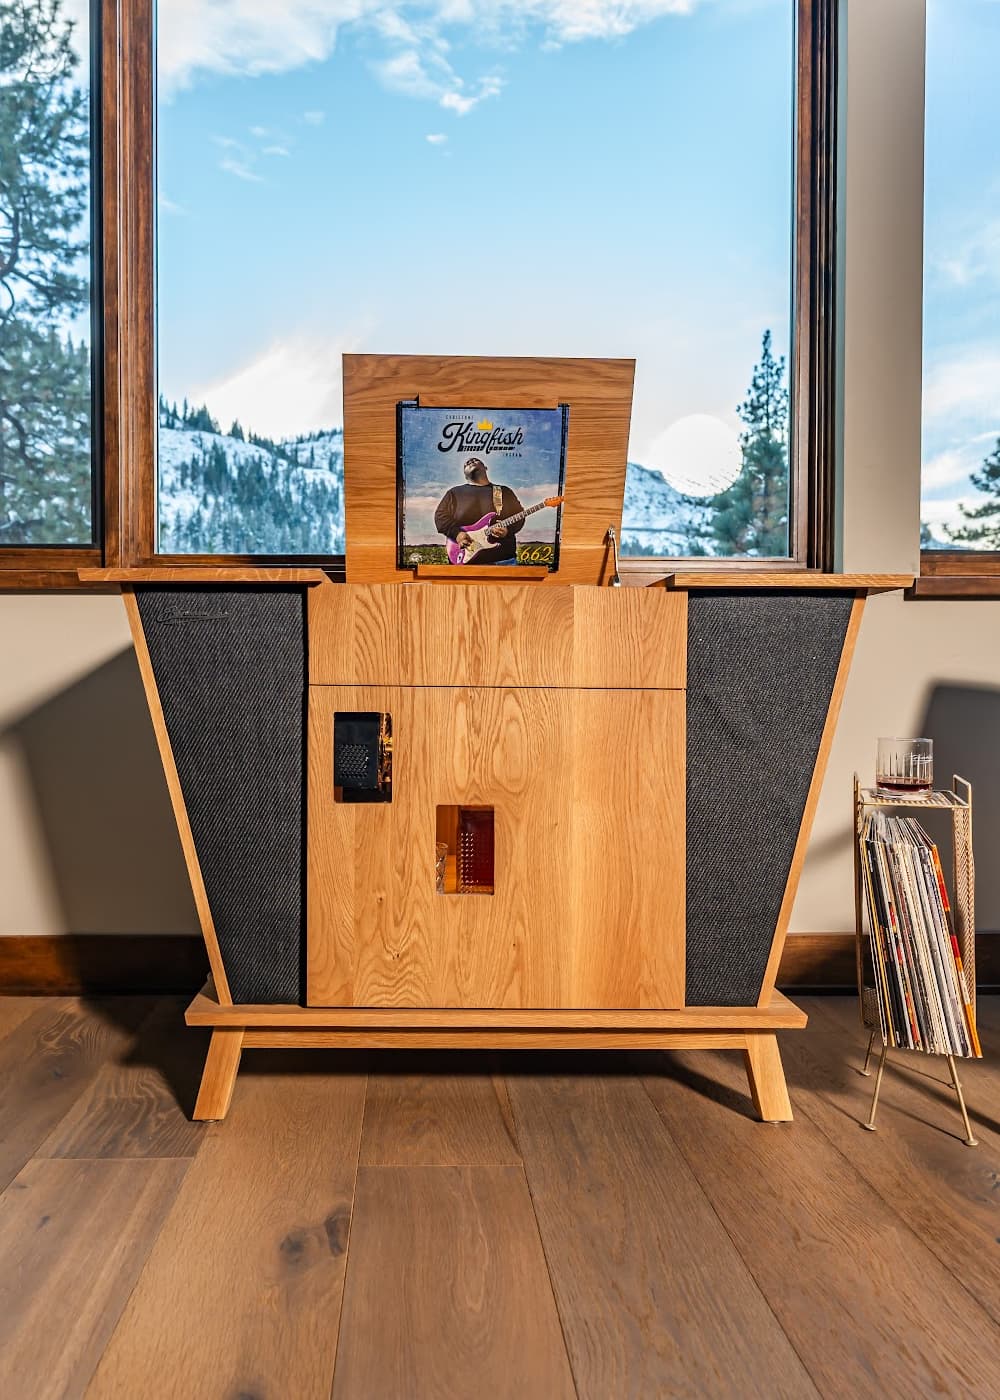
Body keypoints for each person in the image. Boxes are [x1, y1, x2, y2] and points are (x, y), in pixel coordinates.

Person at [433, 457, 525, 564]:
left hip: (503, 560)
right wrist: (457, 534)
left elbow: (520, 516)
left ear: (485, 468)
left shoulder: (504, 491)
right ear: (465, 474)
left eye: (476, 460)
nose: (470, 461)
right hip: (465, 563)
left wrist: (507, 530)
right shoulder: (454, 493)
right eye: (466, 463)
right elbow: (440, 517)